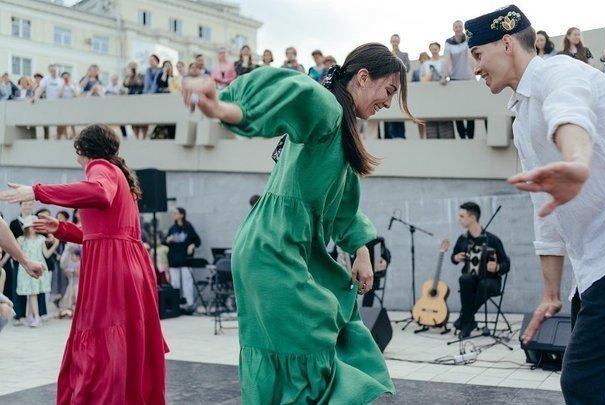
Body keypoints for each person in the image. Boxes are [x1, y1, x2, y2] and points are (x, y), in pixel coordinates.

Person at [182, 42, 415, 403]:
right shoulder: (328, 109)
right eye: (389, 90)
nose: (388, 102)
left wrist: (361, 249)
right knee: (313, 333)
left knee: (310, 338)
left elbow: (344, 208)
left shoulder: (343, 134)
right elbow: (295, 92)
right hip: (272, 245)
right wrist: (223, 107)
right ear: (362, 77)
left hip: (284, 245)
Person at [465, 5, 605, 404]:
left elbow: (569, 113)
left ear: (506, 44)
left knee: (589, 384)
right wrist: (550, 293)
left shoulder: (561, 73)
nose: (476, 68)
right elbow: (546, 211)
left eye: (478, 55)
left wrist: (575, 161)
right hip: (600, 266)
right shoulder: (522, 118)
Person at [0, 124, 167, 403]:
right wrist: (61, 228)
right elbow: (104, 233)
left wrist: (37, 191)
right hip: (128, 265)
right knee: (123, 341)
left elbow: (99, 193)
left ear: (83, 149)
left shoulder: (101, 168)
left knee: (102, 342)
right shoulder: (118, 174)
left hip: (112, 269)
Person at [450, 202, 509, 338]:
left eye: (462, 216)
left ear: (472, 218)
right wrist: (456, 258)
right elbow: (453, 257)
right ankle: (468, 321)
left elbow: (506, 264)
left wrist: (497, 267)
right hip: (471, 280)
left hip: (491, 281)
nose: (459, 219)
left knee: (484, 284)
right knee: (464, 278)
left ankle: (465, 319)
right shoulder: (462, 239)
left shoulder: (492, 239)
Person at [444, 21, 477, 139]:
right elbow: (447, 59)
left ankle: (471, 135)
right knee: (457, 107)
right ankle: (462, 134)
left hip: (468, 77)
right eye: (456, 27)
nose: (458, 29)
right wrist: (445, 75)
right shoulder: (448, 42)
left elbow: (471, 56)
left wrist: (474, 73)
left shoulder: (467, 39)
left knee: (470, 107)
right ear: (453, 28)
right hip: (454, 78)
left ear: (462, 28)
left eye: (460, 27)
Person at [165, 207, 201, 312]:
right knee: (175, 283)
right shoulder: (172, 228)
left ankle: (189, 304)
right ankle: (176, 304)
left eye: (175, 213)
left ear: (182, 215)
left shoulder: (189, 227)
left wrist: (192, 245)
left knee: (187, 281)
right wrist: (168, 240)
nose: (173, 215)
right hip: (174, 259)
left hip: (186, 259)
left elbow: (198, 241)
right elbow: (165, 242)